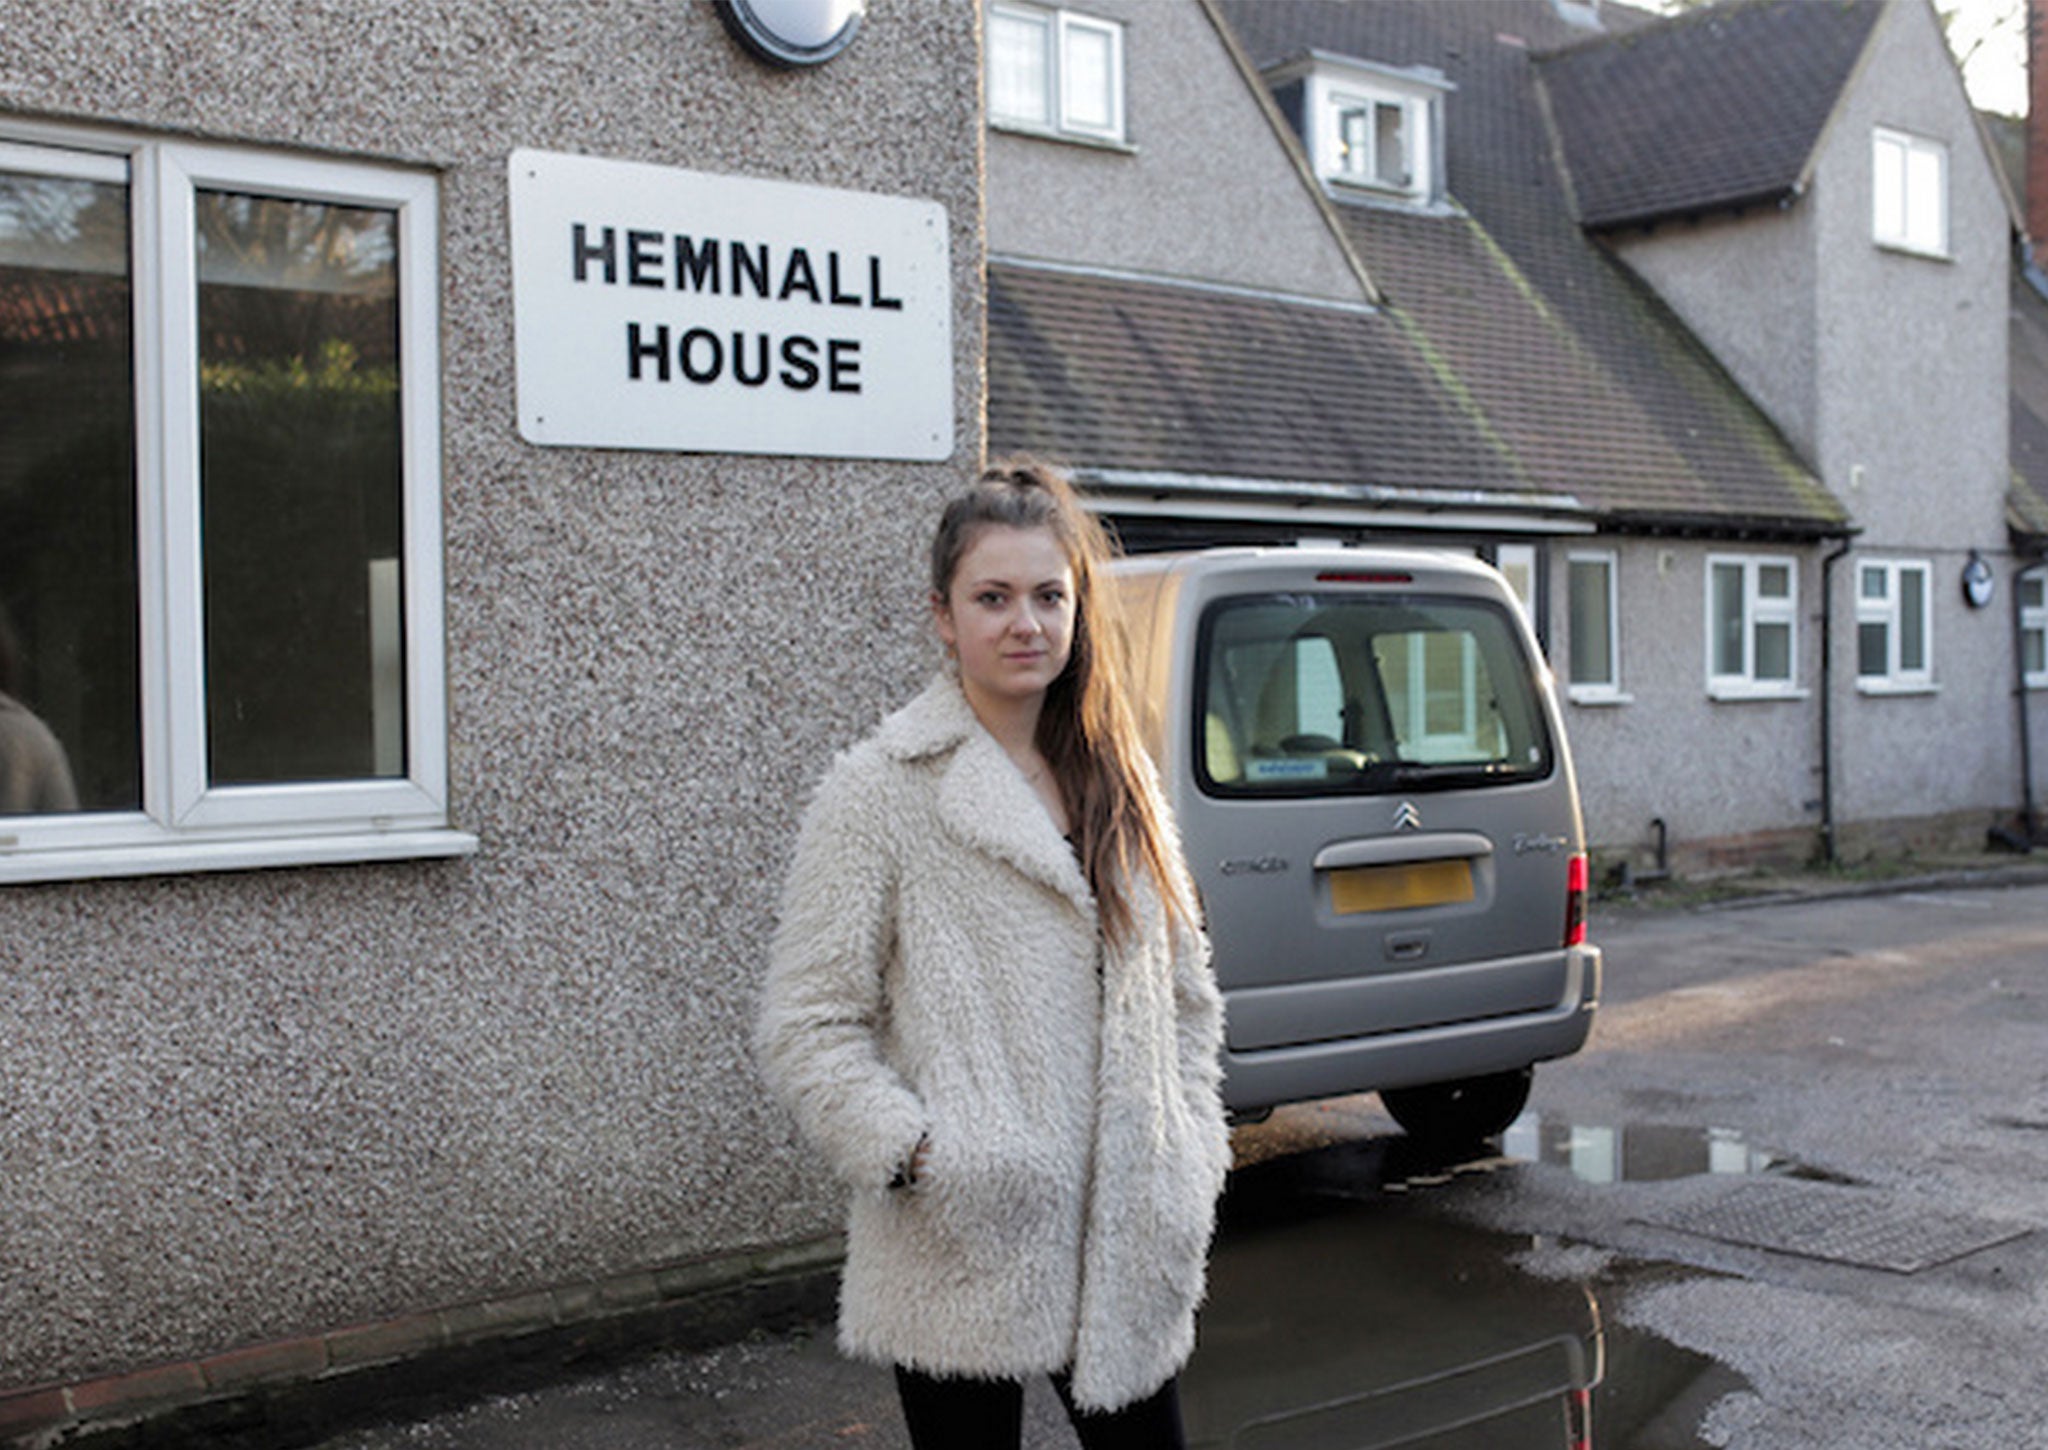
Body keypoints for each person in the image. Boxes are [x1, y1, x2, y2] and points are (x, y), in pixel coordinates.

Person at [755, 458, 1230, 1449]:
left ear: (1076, 607)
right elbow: (806, 1024)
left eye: (1048, 595)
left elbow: (1184, 993)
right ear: (942, 616)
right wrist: (926, 1154)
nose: (1025, 622)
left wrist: (1186, 1150)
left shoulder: (1119, 775)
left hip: (1128, 1230)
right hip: (964, 1239)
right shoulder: (879, 791)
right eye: (993, 597)